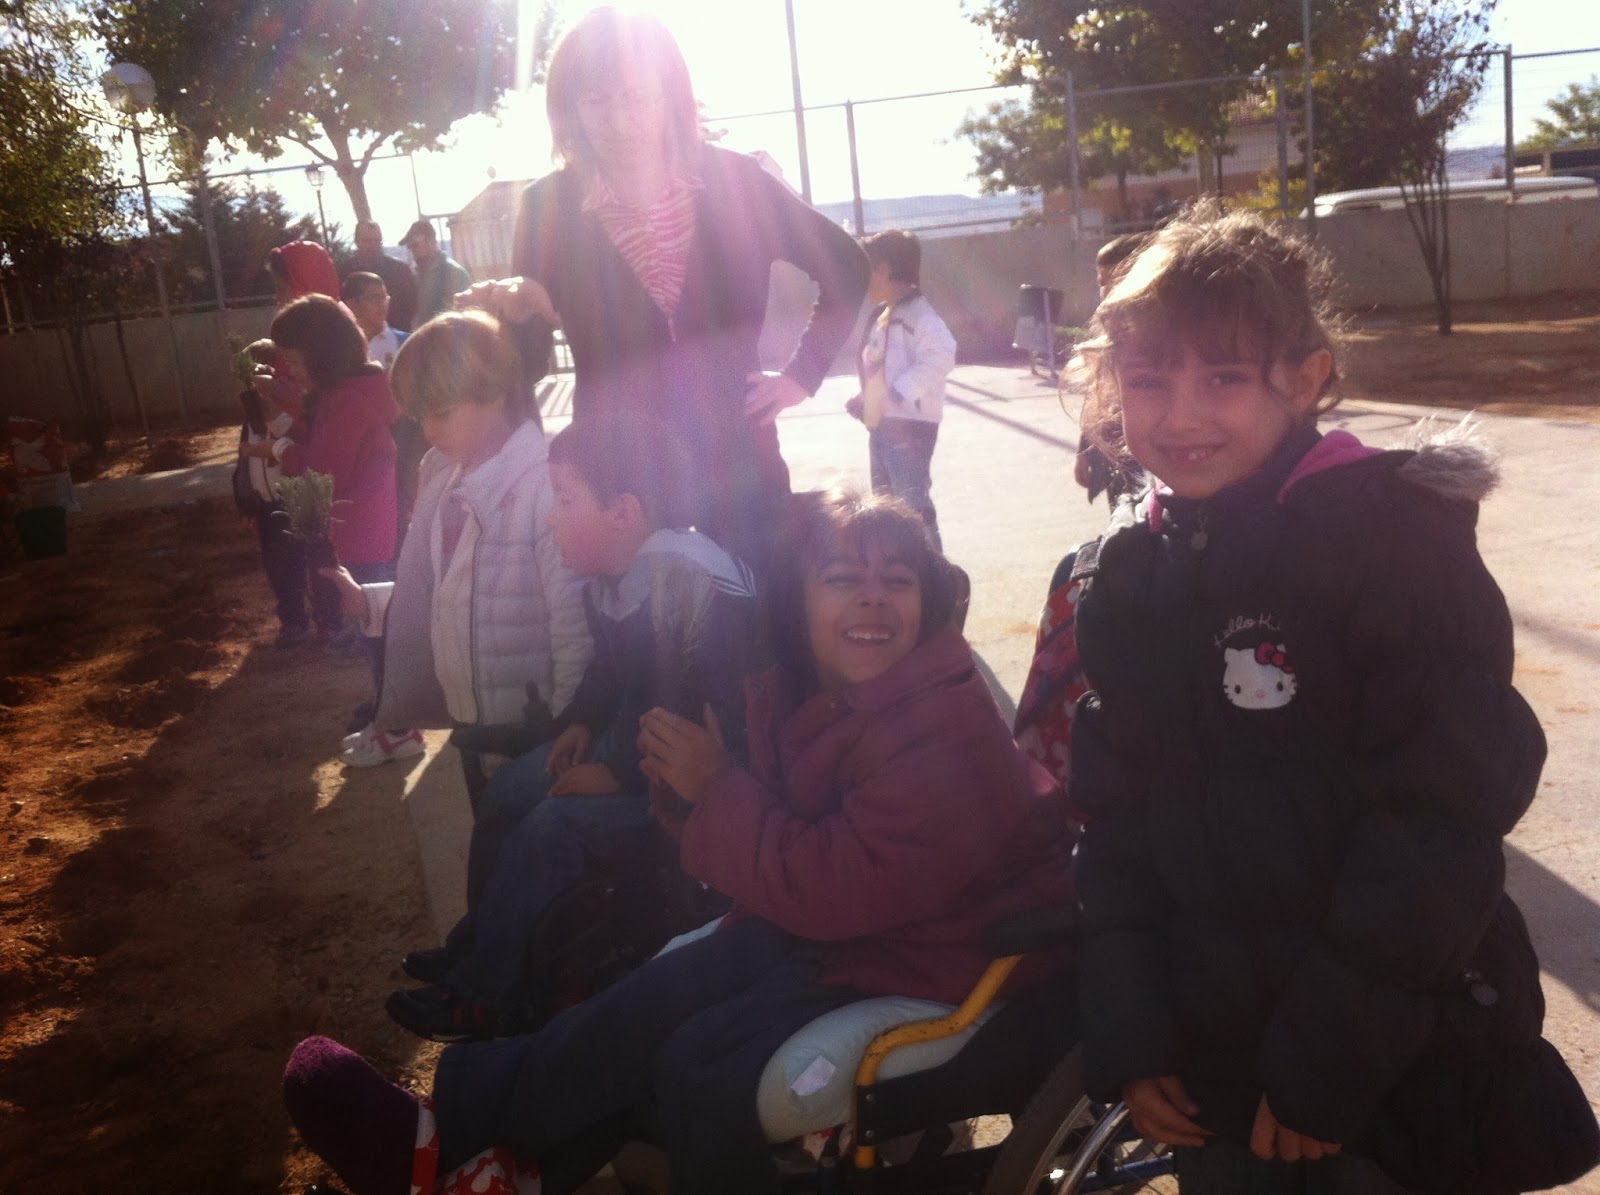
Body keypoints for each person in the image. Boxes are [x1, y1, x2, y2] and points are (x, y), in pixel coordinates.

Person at [283, 488, 1075, 1195]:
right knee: (661, 990)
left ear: (927, 603)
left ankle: (458, 1144)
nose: (872, 598)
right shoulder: (824, 690)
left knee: (698, 1063)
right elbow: (777, 837)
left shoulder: (945, 724)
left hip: (944, 953)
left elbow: (835, 882)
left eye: (897, 580)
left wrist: (715, 786)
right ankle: (457, 1142)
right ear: (800, 600)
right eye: (842, 578)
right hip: (859, 930)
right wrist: (688, 785)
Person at [1064, 207, 1600, 1194]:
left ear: (1306, 377)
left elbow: (1440, 818)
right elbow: (1118, 822)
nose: (1179, 416)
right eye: (1148, 381)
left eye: (1224, 377)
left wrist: (1327, 1061)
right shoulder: (1127, 578)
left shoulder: (1389, 542)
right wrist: (1134, 1030)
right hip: (1215, 1064)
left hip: (1397, 1062)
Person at [385, 411, 757, 1042]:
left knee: (555, 824)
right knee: (510, 791)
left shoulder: (680, 577)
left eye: (564, 499)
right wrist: (582, 719)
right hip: (639, 747)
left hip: (700, 779)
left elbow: (691, 710)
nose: (551, 518)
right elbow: (610, 674)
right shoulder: (612, 575)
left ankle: (489, 995)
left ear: (623, 512)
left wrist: (616, 775)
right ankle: (481, 943)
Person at [461, 7, 869, 576]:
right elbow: (528, 365)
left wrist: (803, 374)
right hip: (618, 476)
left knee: (757, 599)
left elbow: (846, 265)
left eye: (637, 97)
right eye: (596, 101)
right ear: (569, 108)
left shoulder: (735, 180)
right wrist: (523, 312)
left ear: (670, 94)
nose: (620, 122)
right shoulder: (545, 206)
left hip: (738, 459)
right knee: (637, 615)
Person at [319, 310, 591, 780]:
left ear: (494, 393)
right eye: (420, 416)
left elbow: (576, 633)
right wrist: (372, 602)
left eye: (441, 412)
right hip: (470, 722)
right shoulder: (444, 478)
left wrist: (565, 731)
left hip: (535, 736)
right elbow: (448, 586)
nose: (428, 430)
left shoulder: (544, 489)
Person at [844, 228, 955, 549]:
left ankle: (933, 570)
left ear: (883, 270)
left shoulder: (921, 317)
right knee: (886, 508)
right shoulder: (885, 316)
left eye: (865, 271)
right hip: (883, 426)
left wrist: (896, 395)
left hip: (911, 429)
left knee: (912, 507)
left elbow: (940, 358)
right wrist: (866, 399)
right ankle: (900, 567)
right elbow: (880, 368)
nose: (861, 281)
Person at [234, 339, 325, 648]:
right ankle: (292, 620)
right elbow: (244, 462)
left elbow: (296, 442)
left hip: (290, 498)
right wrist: (246, 500)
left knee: (298, 562)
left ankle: (315, 619)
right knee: (276, 566)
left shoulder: (290, 404)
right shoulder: (250, 414)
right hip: (265, 502)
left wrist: (273, 420)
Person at [1072, 231, 1150, 506]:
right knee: (1121, 513)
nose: (1106, 291)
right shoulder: (1106, 330)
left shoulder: (1160, 335)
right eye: (1101, 283)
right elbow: (1097, 398)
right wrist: (1084, 451)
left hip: (1147, 455)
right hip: (1114, 453)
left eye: (1116, 280)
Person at [348, 219, 419, 332]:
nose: (373, 245)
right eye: (367, 241)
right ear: (357, 241)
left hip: (395, 335)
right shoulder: (345, 272)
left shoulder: (400, 270)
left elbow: (412, 307)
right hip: (358, 336)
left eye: (377, 240)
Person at [403, 219, 472, 325]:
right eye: (410, 248)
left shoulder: (454, 274)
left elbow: (466, 316)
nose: (413, 252)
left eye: (415, 246)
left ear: (430, 242)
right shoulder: (417, 276)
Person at [341, 271, 408, 369]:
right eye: (373, 298)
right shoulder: (340, 345)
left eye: (384, 297)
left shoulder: (405, 343)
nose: (382, 303)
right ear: (352, 304)